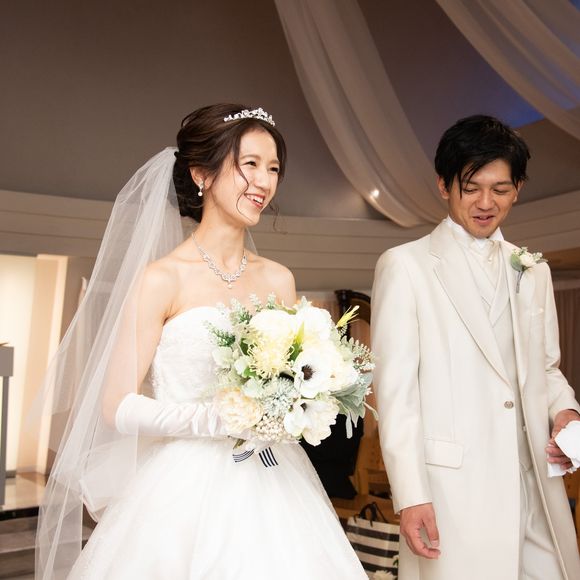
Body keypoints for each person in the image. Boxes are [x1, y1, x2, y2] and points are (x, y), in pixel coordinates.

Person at [36, 104, 366, 579]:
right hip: (182, 485)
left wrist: (298, 404)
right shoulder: (161, 279)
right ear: (201, 174)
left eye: (273, 168)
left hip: (273, 478)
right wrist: (212, 419)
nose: (264, 182)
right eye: (249, 164)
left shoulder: (279, 279)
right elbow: (115, 405)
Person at [371, 115, 580, 580]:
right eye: (472, 188)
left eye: (500, 189)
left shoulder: (533, 270)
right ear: (444, 185)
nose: (486, 203)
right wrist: (411, 495)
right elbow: (396, 395)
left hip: (535, 488)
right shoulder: (405, 266)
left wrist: (566, 412)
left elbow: (546, 369)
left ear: (518, 189)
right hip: (453, 493)